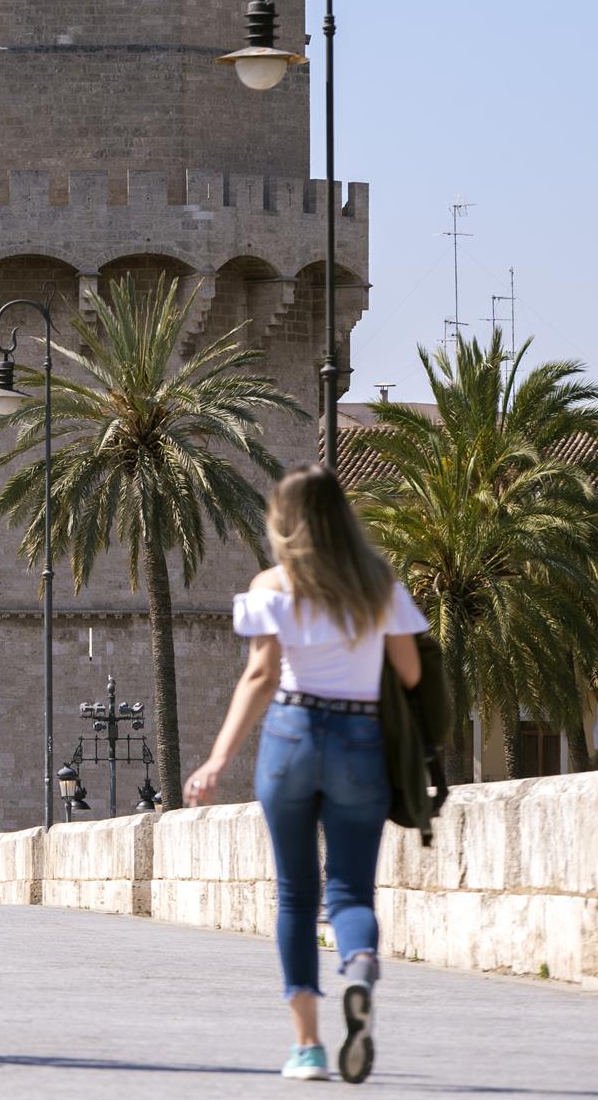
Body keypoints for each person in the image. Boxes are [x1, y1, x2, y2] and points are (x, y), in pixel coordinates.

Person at [186, 464, 427, 1085]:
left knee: (296, 894)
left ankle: (308, 1048)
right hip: (359, 739)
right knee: (351, 890)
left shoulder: (272, 585)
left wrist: (216, 761)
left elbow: (261, 675)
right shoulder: (378, 583)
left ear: (283, 519)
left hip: (291, 734)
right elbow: (410, 673)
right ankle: (361, 963)